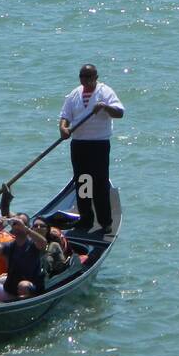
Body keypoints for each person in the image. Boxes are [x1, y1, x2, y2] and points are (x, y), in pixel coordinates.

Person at [59, 63, 124, 235]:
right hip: (79, 145)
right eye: (82, 77)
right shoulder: (74, 94)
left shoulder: (105, 92)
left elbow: (119, 113)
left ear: (96, 77)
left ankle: (105, 222)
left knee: (100, 185)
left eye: (89, 77)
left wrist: (104, 107)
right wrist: (63, 129)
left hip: (98, 145)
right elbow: (65, 116)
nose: (85, 80)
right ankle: (86, 219)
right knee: (83, 183)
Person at [0, 215, 48, 299]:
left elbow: (43, 243)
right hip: (11, 289)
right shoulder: (10, 246)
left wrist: (25, 228)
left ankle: (21, 308)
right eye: (15, 223)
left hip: (31, 289)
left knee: (23, 285)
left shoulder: (34, 244)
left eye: (20, 223)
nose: (18, 226)